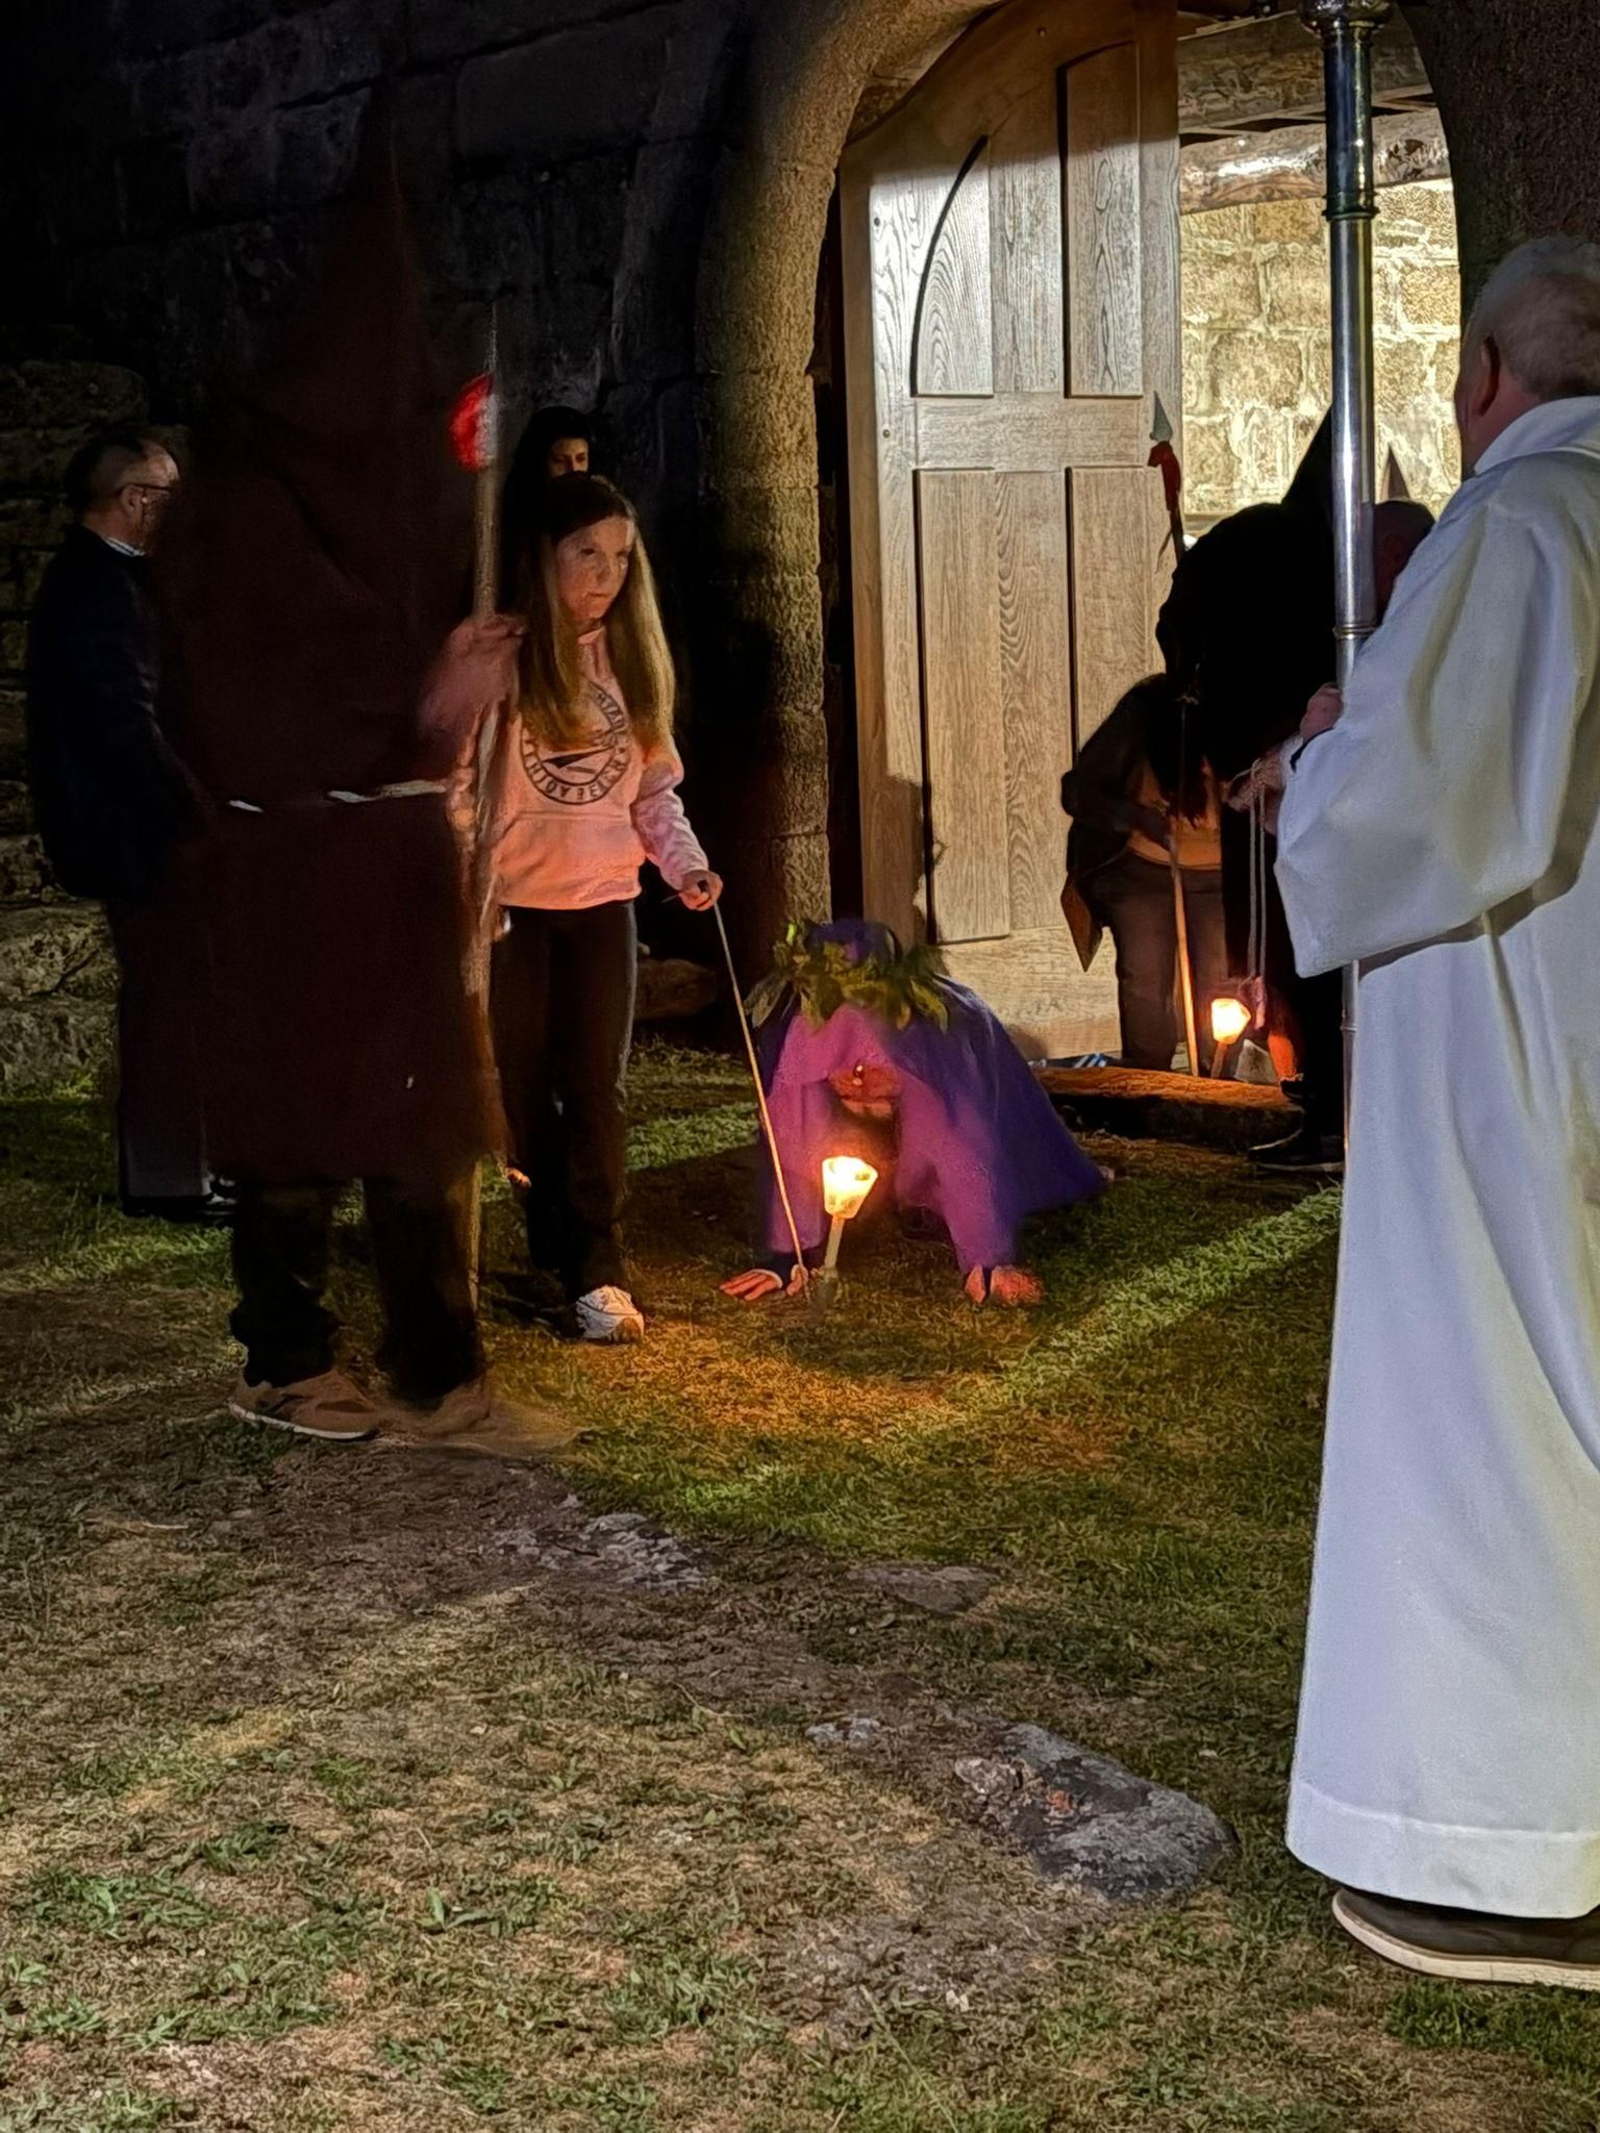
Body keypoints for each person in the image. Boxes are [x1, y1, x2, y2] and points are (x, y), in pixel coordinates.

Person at [1268, 237, 1600, 1987]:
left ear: (1482, 377)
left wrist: (1322, 756)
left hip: (1509, 1051)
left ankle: (1511, 1853)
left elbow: (1426, 804)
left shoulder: (1526, 523)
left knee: (1500, 1412)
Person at [158, 103, 577, 1459]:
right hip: (292, 876)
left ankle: (440, 1377)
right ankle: (284, 1363)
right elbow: (255, 713)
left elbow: (404, 682)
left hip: (386, 873)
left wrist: (453, 682)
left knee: (421, 1126)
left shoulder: (385, 509)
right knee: (297, 1129)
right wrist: (424, 708)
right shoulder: (242, 510)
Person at [430, 473, 720, 1347]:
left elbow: (653, 791)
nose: (605, 574)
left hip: (601, 904)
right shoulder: (503, 655)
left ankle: (599, 1263)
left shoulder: (631, 663)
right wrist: (467, 884)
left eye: (621, 557)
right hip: (514, 906)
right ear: (543, 556)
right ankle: (550, 1235)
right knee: (519, 1090)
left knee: (596, 1087)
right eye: (586, 553)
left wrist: (685, 863)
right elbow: (455, 784)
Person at [24, 427, 228, 1223]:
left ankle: (186, 1164)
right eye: (169, 494)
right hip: (137, 832)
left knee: (177, 997)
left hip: (142, 825)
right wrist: (192, 808)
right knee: (168, 1003)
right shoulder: (96, 589)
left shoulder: (113, 581)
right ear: (136, 501)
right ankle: (171, 1176)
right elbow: (124, 720)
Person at [719, 920, 1109, 1307]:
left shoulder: (931, 1041)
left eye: (865, 1058)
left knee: (942, 1148)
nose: (855, 1073)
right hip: (873, 1111)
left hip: (938, 1094)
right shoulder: (804, 1032)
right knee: (841, 1145)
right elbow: (792, 1132)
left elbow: (963, 1149)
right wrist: (789, 1253)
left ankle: (921, 1189)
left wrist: (986, 1261)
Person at [1060, 673, 1227, 1073]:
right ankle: (1149, 1079)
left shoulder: (1240, 707)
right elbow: (1080, 790)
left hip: (1219, 875)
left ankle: (1218, 1078)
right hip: (1142, 870)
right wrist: (1135, 816)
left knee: (1219, 983)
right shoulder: (1147, 711)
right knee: (1145, 981)